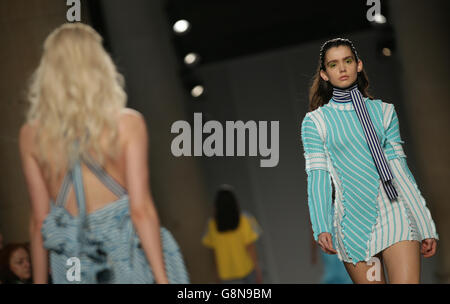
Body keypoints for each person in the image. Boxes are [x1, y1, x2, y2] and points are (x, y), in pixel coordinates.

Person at [19, 23, 168, 283]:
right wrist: (162, 279)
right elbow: (141, 209)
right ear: (99, 65)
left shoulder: (31, 135)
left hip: (72, 265)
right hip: (126, 258)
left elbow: (39, 220)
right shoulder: (127, 124)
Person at [301, 38, 439, 284]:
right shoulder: (316, 122)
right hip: (353, 223)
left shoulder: (384, 112)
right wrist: (321, 225)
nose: (342, 69)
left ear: (359, 65)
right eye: (333, 64)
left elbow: (400, 171)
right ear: (324, 74)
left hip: (395, 210)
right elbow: (318, 177)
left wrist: (425, 224)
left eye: (348, 61)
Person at [202, 185, 263, 283]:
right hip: (246, 269)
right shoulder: (245, 219)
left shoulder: (211, 225)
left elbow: (214, 254)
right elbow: (250, 248)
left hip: (225, 274)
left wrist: (216, 274)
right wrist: (258, 270)